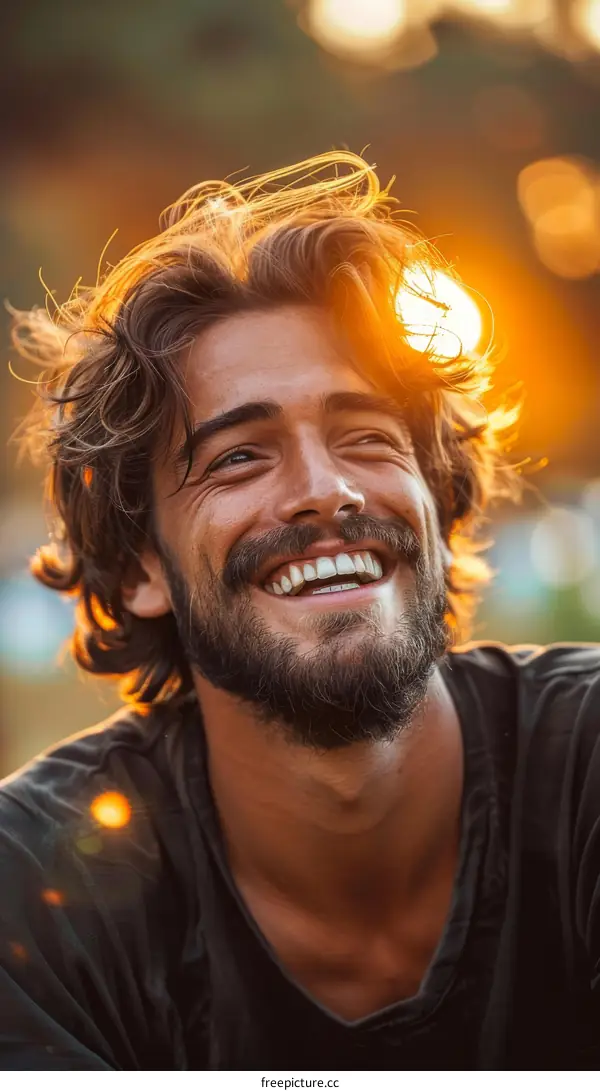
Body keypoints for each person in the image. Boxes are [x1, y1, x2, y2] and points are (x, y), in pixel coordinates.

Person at [1, 151, 599, 1073]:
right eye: (239, 456)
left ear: (438, 507)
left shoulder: (587, 770)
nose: (327, 491)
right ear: (138, 569)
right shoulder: (33, 895)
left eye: (366, 437)